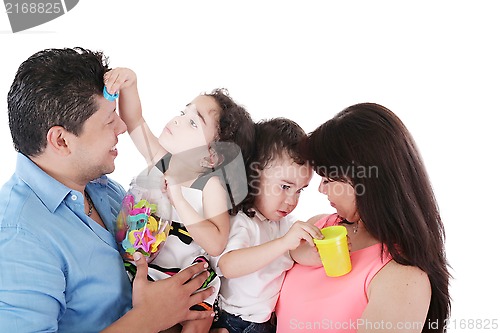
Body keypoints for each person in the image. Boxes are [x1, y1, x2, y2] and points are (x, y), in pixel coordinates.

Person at [0, 47, 215, 333]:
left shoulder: (101, 187)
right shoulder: (19, 236)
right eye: (109, 119)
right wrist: (149, 319)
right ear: (61, 141)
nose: (123, 126)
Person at [275, 103, 451, 333]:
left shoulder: (403, 277)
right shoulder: (316, 226)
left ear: (366, 183)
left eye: (329, 179)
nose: (321, 189)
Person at [104, 68, 255, 333]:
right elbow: (134, 120)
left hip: (186, 279)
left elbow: (217, 243)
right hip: (148, 272)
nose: (178, 120)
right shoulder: (163, 163)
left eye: (193, 123)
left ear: (212, 157)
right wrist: (130, 84)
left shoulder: (209, 186)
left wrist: (179, 200)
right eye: (183, 113)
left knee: (200, 315)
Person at [210, 118, 323, 333]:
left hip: (268, 321)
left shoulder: (282, 222)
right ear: (254, 176)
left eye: (299, 190)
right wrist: (283, 243)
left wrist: (319, 254)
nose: (292, 200)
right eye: (284, 186)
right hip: (236, 322)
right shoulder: (241, 220)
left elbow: (295, 252)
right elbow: (228, 266)